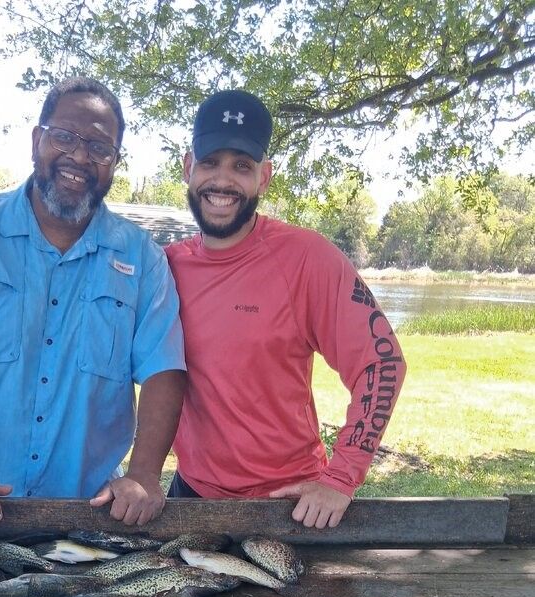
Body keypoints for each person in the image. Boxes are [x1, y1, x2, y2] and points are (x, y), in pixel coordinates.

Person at [0, 77, 186, 527]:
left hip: (90, 516)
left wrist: (145, 474)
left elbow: (163, 369)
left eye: (100, 148)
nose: (80, 156)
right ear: (37, 139)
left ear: (114, 162)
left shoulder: (141, 257)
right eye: (65, 137)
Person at [165, 89, 406, 529]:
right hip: (191, 497)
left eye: (242, 165)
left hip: (289, 504)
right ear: (187, 167)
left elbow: (381, 362)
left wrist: (341, 477)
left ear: (265, 177)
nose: (223, 180)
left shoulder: (307, 258)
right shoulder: (164, 268)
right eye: (210, 162)